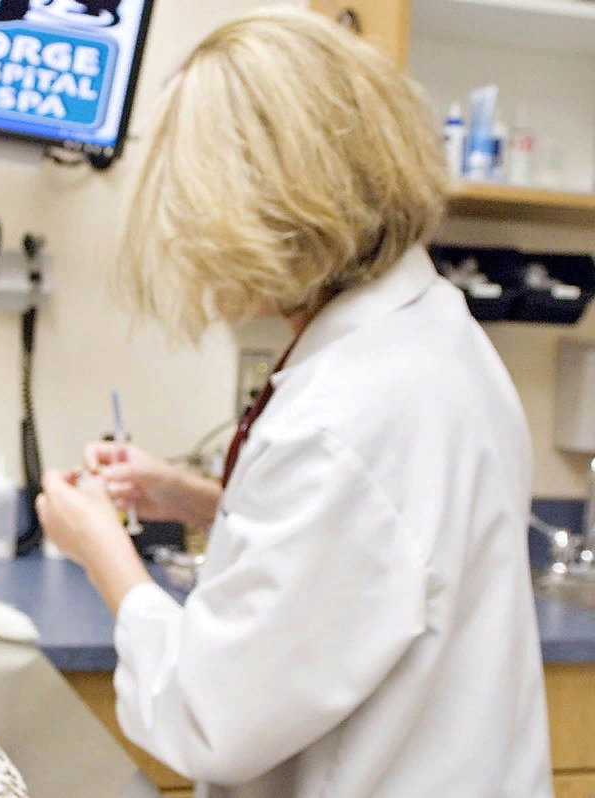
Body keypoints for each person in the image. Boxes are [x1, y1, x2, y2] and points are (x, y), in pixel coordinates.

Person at [36, 8, 552, 797]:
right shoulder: (430, 330)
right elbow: (379, 552)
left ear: (263, 207)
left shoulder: (348, 412)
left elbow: (209, 717)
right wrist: (194, 498)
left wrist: (102, 548)